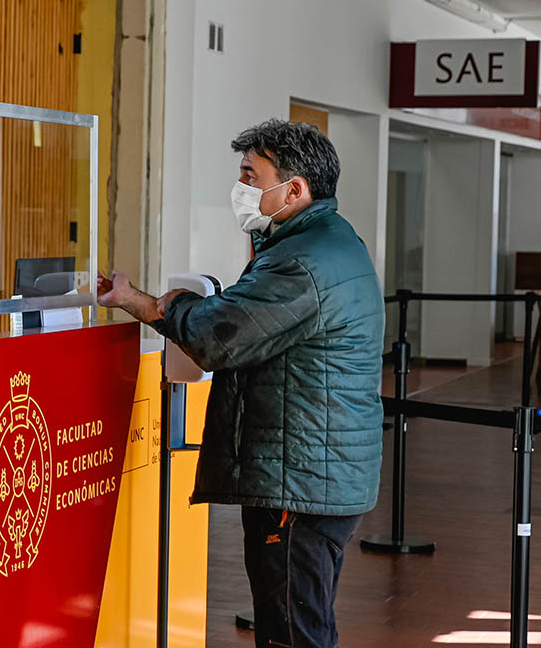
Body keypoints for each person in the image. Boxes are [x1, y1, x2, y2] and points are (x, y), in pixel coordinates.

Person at [98, 119, 383, 648]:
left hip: (301, 478)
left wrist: (161, 303)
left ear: (294, 189)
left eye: (252, 176)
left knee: (293, 633)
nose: (242, 189)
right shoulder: (323, 241)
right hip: (315, 469)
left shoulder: (302, 260)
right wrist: (141, 300)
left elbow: (217, 336)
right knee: (300, 621)